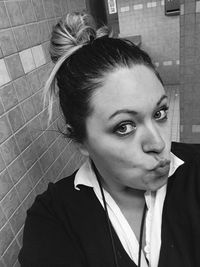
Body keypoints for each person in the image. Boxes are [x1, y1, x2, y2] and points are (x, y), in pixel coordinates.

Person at [18, 12, 200, 267]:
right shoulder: (55, 219)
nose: (158, 144)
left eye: (159, 113)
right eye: (124, 126)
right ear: (81, 140)